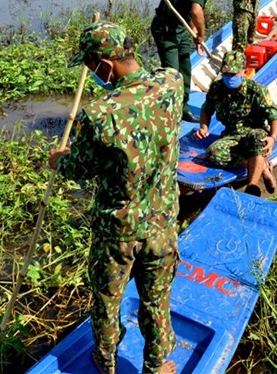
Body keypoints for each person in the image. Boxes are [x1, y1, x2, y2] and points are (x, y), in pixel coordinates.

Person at [49, 22, 182, 374]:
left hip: (117, 232)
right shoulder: (172, 83)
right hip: (162, 223)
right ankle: (157, 365)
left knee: (108, 300)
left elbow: (78, 168)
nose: (91, 74)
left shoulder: (99, 115)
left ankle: (105, 362)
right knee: (157, 300)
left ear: (105, 66)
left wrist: (58, 160)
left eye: (91, 66)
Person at [151, 0, 237, 123]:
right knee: (172, 72)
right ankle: (169, 112)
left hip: (180, 29)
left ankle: (182, 108)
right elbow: (197, 11)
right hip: (166, 29)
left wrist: (195, 36)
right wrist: (202, 34)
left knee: (185, 68)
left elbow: (187, 12)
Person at [192, 50, 277, 197]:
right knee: (213, 153)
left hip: (255, 132)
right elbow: (206, 109)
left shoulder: (256, 91)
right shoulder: (217, 88)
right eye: (226, 74)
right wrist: (204, 127)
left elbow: (274, 117)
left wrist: (272, 138)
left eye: (233, 74)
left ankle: (252, 187)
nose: (229, 78)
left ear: (243, 72)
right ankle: (262, 167)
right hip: (232, 134)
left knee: (258, 143)